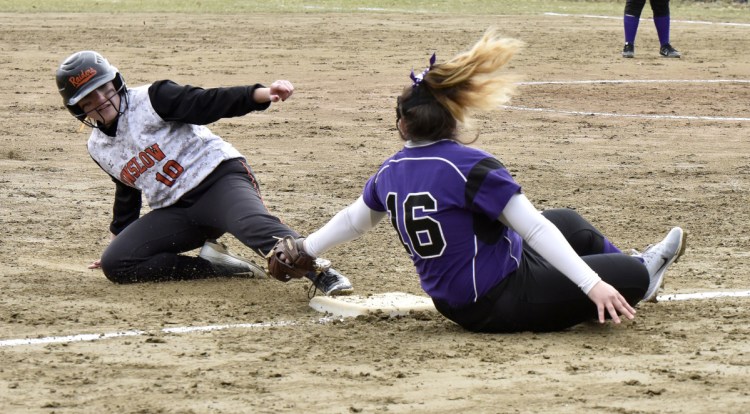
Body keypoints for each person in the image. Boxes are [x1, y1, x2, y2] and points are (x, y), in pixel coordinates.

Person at [282, 28, 687, 332]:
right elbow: (532, 227)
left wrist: (306, 247)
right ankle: (636, 276)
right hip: (495, 301)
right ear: (453, 117)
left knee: (568, 221)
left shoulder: (389, 171)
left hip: (459, 298)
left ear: (402, 126)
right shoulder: (470, 165)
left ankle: (622, 269)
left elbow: (354, 220)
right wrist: (591, 283)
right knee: (628, 276)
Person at [54, 50, 353, 296]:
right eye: (89, 98)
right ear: (78, 109)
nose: (102, 100)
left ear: (116, 82)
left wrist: (259, 94)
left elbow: (208, 102)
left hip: (218, 180)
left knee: (256, 228)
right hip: (177, 211)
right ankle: (221, 267)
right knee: (117, 264)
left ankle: (321, 273)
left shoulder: (154, 98)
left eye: (104, 88)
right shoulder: (98, 147)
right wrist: (121, 238)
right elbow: (127, 190)